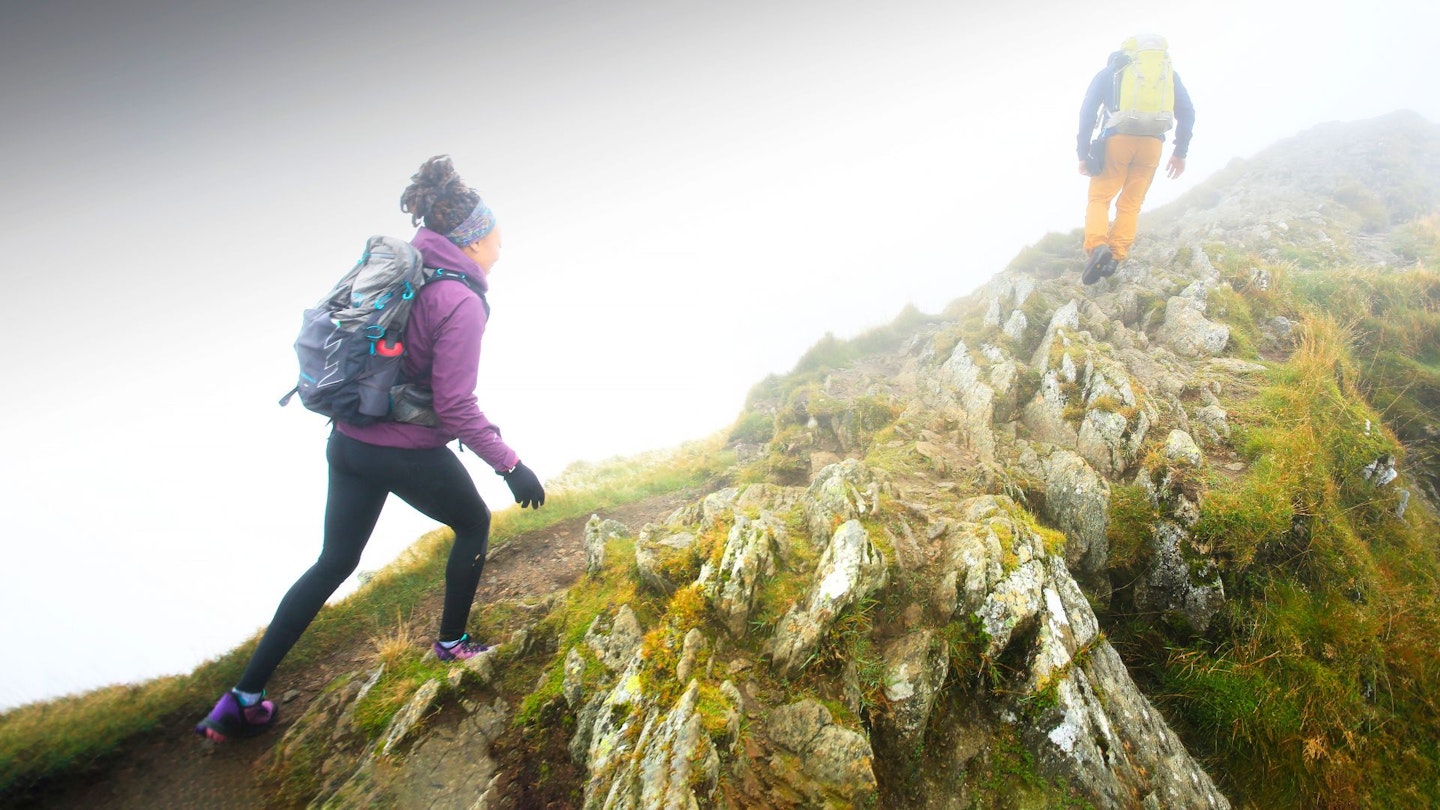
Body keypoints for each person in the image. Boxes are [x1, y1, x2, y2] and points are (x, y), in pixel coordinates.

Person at [195, 156, 547, 742]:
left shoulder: (407, 269)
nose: (501, 250)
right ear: (473, 241)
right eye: (496, 240)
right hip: (404, 447)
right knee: (474, 523)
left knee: (334, 561)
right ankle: (453, 644)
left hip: (349, 441)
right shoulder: (461, 303)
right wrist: (512, 466)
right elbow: (456, 406)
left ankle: (241, 699)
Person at [1077, 34, 1195, 283]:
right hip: (1152, 144)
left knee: (1100, 197)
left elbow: (1087, 112)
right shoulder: (1167, 74)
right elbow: (1187, 112)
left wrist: (1083, 153)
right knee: (1131, 203)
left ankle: (1098, 246)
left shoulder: (1110, 71)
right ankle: (1116, 256)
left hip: (1117, 141)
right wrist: (1180, 152)